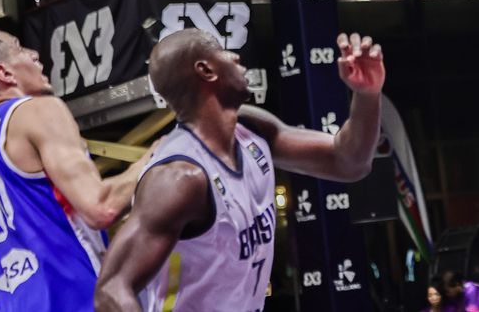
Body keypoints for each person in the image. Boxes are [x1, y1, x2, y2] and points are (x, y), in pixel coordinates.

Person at [94, 30, 386, 311]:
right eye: (223, 51)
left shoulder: (252, 130)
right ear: (207, 70)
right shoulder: (179, 177)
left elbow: (349, 162)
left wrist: (367, 95)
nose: (236, 57)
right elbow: (111, 290)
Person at [0, 30, 154, 311]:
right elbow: (101, 207)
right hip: (68, 298)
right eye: (20, 48)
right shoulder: (38, 110)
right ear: (4, 73)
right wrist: (156, 155)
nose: (34, 54)